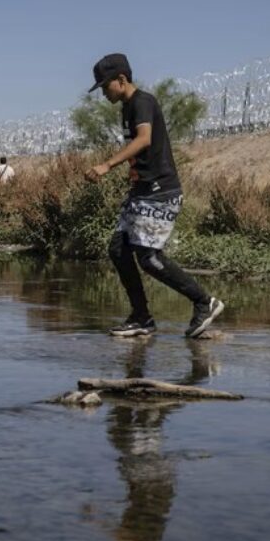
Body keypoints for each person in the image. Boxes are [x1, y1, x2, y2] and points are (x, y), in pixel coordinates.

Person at [84, 53, 224, 338]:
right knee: (118, 250)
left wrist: (107, 165)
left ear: (121, 79)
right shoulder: (127, 107)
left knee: (149, 257)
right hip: (142, 192)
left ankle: (204, 302)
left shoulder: (142, 102)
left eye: (105, 86)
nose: (104, 93)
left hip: (160, 191)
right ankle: (141, 317)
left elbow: (144, 139)